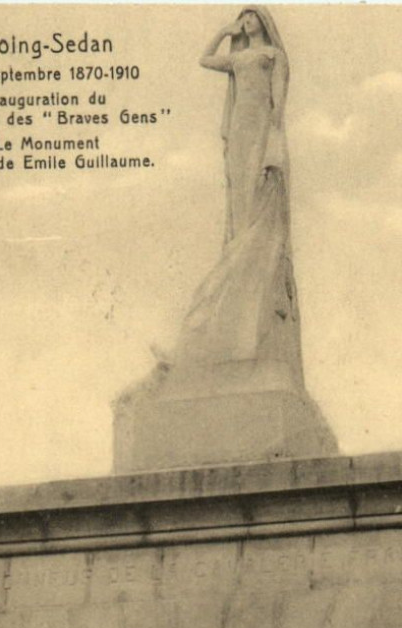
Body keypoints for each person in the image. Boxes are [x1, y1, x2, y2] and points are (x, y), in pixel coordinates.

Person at [171, 9, 301, 390]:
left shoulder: (273, 56)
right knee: (239, 207)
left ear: (262, 20)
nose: (245, 22)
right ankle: (238, 251)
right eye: (241, 19)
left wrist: (273, 150)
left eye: (250, 17)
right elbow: (204, 59)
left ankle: (248, 261)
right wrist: (221, 31)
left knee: (258, 204)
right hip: (240, 132)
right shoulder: (237, 58)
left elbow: (278, 108)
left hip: (261, 128)